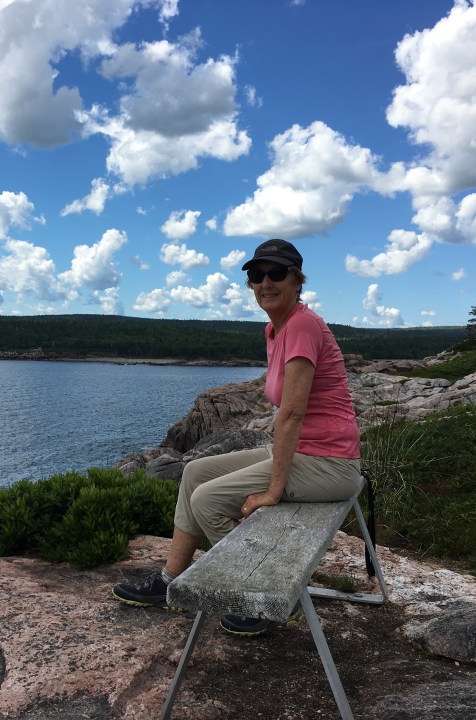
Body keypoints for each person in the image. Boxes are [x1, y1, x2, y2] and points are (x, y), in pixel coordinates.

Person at [112, 238, 362, 636]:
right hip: (307, 455)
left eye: (277, 273)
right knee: (195, 473)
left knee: (207, 499)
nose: (266, 282)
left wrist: (273, 489)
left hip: (329, 464)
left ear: (298, 280)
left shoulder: (301, 325)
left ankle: (262, 593)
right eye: (256, 275)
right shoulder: (274, 329)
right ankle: (169, 581)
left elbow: (292, 413)